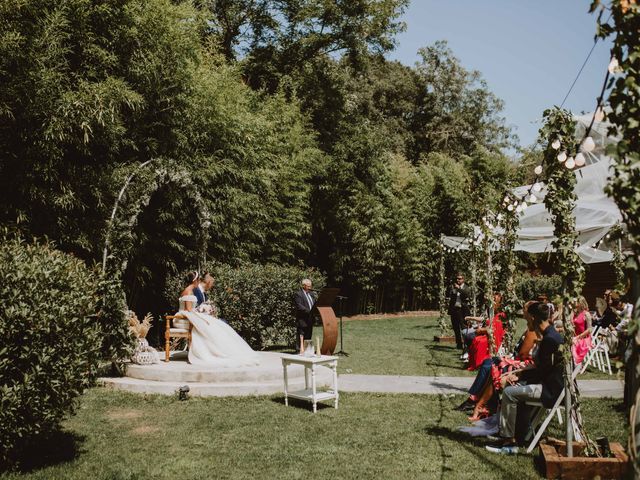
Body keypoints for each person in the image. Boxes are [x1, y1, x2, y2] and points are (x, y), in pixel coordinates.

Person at [486, 302, 564, 454]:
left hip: (551, 390)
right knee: (516, 388)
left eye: (528, 319)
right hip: (549, 384)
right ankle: (515, 433)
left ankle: (509, 442)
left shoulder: (549, 339)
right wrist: (519, 374)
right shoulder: (551, 335)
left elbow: (542, 371)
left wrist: (518, 375)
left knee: (509, 393)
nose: (527, 322)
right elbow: (542, 367)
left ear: (534, 318)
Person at [178, 271, 259, 366]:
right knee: (212, 326)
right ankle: (216, 351)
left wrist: (204, 311)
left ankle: (219, 350)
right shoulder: (188, 291)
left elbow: (191, 308)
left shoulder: (190, 290)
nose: (198, 282)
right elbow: (189, 310)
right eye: (198, 280)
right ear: (195, 280)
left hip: (189, 314)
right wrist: (202, 314)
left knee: (217, 325)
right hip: (186, 316)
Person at [448, 273, 471, 350]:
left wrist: (458, 289)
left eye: (460, 278)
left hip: (462, 311)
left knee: (463, 328)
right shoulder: (453, 287)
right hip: (454, 310)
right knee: (456, 328)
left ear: (463, 279)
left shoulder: (466, 288)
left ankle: (466, 344)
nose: (458, 280)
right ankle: (459, 344)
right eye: (457, 278)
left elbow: (466, 295)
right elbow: (451, 297)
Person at [294, 279, 316, 353]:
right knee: (301, 335)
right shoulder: (298, 294)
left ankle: (307, 350)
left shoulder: (311, 294)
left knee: (308, 335)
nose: (310, 287)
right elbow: (299, 306)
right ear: (304, 286)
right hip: (302, 319)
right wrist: (309, 311)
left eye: (310, 285)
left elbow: (314, 304)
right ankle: (299, 351)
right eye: (308, 286)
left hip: (310, 319)